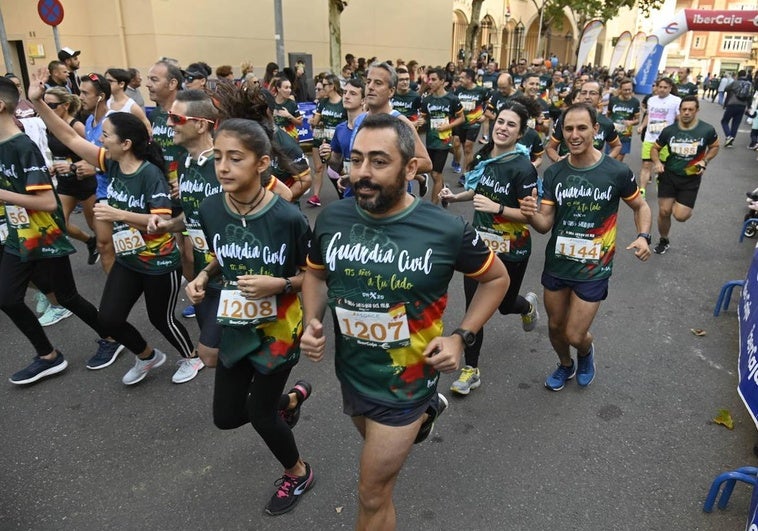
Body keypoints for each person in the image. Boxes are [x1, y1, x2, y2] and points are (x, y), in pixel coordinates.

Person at [300, 113, 509, 529]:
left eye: (378, 161)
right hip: (354, 371)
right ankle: (426, 417)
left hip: (407, 383)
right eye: (356, 159)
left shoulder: (445, 229)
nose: (361, 172)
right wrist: (311, 320)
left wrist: (460, 337)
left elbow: (497, 278)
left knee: (371, 493)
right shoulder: (334, 219)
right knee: (378, 482)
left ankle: (423, 409)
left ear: (411, 167)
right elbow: (316, 273)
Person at [29, 71, 200, 385]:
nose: (100, 140)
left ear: (126, 143)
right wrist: (38, 102)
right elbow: (69, 137)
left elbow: (160, 223)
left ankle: (192, 356)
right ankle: (148, 356)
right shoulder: (111, 162)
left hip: (159, 263)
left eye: (106, 135)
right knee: (108, 318)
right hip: (128, 258)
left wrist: (115, 212)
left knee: (160, 318)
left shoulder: (150, 175)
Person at [185, 118, 314, 515]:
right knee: (225, 417)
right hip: (236, 324)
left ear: (261, 164)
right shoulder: (210, 209)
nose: (222, 167)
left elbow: (312, 276)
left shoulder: (288, 217)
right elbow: (221, 257)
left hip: (279, 329)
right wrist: (204, 277)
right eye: (218, 157)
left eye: (235, 158)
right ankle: (289, 401)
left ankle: (298, 473)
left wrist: (278, 285)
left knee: (259, 413)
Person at [520, 103, 652, 391]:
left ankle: (584, 351)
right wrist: (530, 213)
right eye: (568, 129)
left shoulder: (616, 172)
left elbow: (640, 206)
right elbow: (545, 225)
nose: (574, 134)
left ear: (596, 129)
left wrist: (644, 236)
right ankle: (565, 365)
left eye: (582, 128)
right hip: (558, 263)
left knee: (575, 334)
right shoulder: (555, 173)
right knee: (555, 329)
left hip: (594, 266)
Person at [0, 75, 122, 384]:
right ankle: (48, 355)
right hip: (18, 235)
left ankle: (112, 336)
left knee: (66, 297)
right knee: (10, 297)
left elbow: (45, 202)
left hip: (43, 237)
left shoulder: (21, 146)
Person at [439, 101, 539, 395]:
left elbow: (528, 216)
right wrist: (456, 196)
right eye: (501, 122)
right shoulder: (485, 155)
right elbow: (477, 191)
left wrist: (497, 207)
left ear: (520, 134)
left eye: (511, 125)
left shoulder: (523, 168)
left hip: (512, 248)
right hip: (480, 246)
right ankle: (471, 369)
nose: (503, 128)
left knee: (505, 305)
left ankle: (526, 305)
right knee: (475, 308)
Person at [651, 96, 719, 254]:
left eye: (690, 110)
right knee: (664, 211)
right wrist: (657, 163)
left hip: (691, 177)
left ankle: (679, 205)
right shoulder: (670, 130)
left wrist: (705, 161)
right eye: (684, 109)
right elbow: (655, 148)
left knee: (680, 216)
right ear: (679, 110)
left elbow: (715, 146)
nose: (687, 113)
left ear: (697, 111)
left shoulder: (706, 130)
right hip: (669, 174)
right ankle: (664, 239)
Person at [44, 87, 99, 268]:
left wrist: (72, 166)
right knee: (59, 222)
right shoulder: (50, 126)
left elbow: (94, 154)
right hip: (65, 183)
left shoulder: (76, 126)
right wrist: (55, 166)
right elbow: (59, 153)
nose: (47, 108)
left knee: (96, 225)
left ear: (65, 105)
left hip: (85, 181)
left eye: (51, 105)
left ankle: (115, 254)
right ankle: (90, 242)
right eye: (44, 104)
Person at [418, 67, 464, 205]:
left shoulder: (452, 99)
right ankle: (444, 190)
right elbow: (425, 118)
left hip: (444, 141)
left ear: (442, 81)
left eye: (433, 80)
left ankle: (433, 207)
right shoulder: (427, 100)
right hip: (431, 140)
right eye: (429, 79)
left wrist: (448, 126)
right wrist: (421, 121)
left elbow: (461, 118)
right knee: (433, 173)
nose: (430, 82)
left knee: (436, 174)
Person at [546, 80, 621, 162]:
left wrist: (604, 161)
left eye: (592, 93)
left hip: (593, 172)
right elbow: (550, 148)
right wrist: (559, 160)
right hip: (568, 171)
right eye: (584, 93)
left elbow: (617, 146)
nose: (587, 97)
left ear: (600, 98)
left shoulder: (606, 123)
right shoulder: (565, 118)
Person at [306, 74, 345, 207]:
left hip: (336, 140)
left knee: (335, 169)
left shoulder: (343, 102)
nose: (321, 88)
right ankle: (315, 196)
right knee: (318, 168)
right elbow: (315, 121)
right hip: (320, 137)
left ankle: (344, 193)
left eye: (324, 85)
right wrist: (312, 121)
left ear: (332, 86)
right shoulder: (323, 102)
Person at [637, 77, 680, 195]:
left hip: (665, 140)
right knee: (646, 164)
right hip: (650, 137)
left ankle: (661, 185)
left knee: (662, 167)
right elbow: (648, 116)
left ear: (670, 88)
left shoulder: (676, 101)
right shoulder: (651, 100)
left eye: (665, 87)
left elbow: (680, 118)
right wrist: (642, 126)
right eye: (660, 87)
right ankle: (642, 190)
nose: (662, 90)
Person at [104, 68, 152, 133]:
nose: (106, 84)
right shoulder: (107, 103)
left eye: (110, 81)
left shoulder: (132, 106)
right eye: (105, 81)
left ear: (121, 84)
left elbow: (147, 127)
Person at [606, 78, 640, 162]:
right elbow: (608, 115)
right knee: (609, 159)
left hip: (625, 135)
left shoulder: (635, 102)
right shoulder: (613, 100)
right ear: (620, 89)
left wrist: (631, 122)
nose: (628, 92)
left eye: (629, 90)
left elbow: (637, 120)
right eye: (625, 90)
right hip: (612, 135)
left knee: (618, 161)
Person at [720, 70, 754, 148]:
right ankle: (730, 142)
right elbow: (750, 97)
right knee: (736, 124)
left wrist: (733, 89)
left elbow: (726, 88)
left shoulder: (735, 82)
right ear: (745, 75)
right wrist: (749, 107)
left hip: (732, 104)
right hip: (742, 106)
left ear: (738, 75)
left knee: (724, 121)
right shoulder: (749, 84)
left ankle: (729, 136)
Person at [270, 77, 304, 141]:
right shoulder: (270, 102)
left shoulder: (292, 104)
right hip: (275, 136)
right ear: (278, 88)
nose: (289, 90)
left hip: (291, 136)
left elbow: (300, 123)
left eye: (290, 87)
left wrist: (289, 116)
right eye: (286, 88)